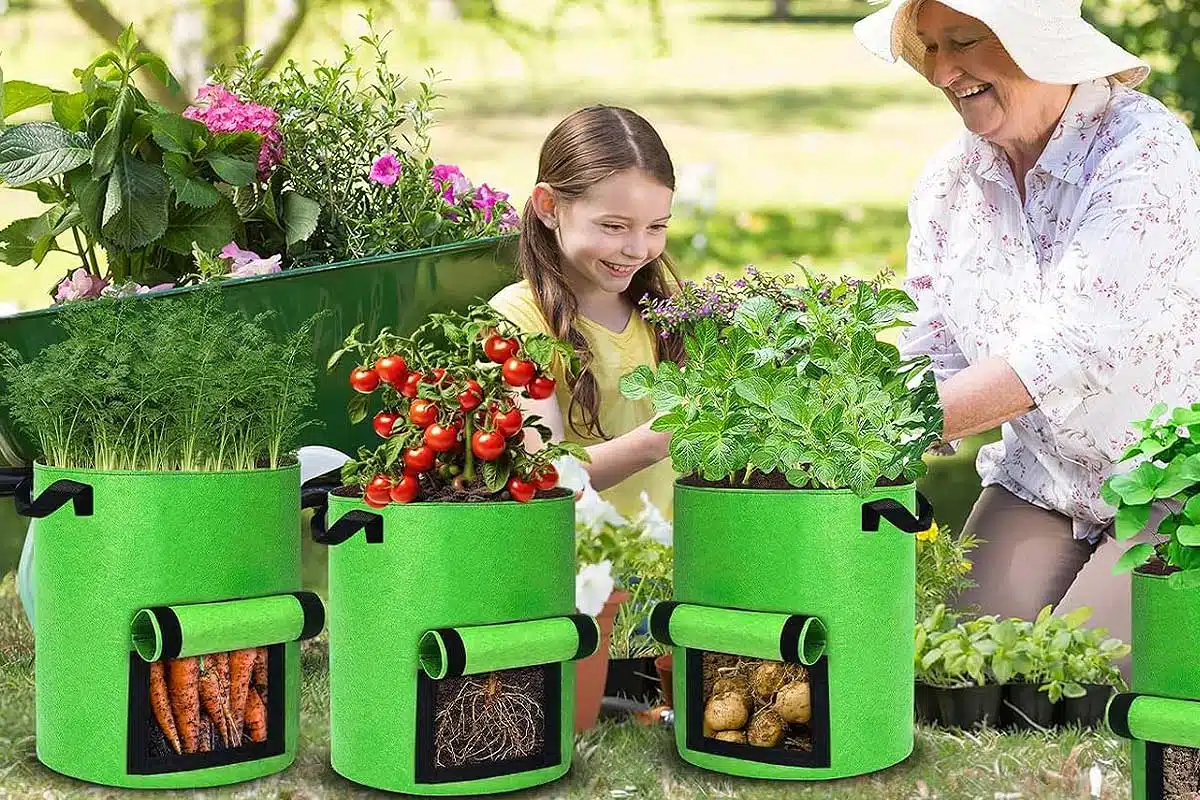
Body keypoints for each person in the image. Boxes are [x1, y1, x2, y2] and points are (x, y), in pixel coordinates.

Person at [853, 0, 1200, 651]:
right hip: (1042, 478)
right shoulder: (948, 184)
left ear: (1042, 42)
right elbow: (929, 351)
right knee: (963, 673)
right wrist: (853, 432)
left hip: (1173, 486)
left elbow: (1065, 350)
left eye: (964, 40)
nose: (943, 72)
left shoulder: (1146, 154)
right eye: (930, 47)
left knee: (1087, 691)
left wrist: (885, 428)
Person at [489, 105, 683, 521]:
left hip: (677, 566)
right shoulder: (517, 321)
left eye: (656, 227)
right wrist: (658, 439)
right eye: (614, 226)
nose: (637, 249)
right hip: (581, 573)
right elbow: (546, 475)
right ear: (548, 206)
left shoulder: (666, 309)